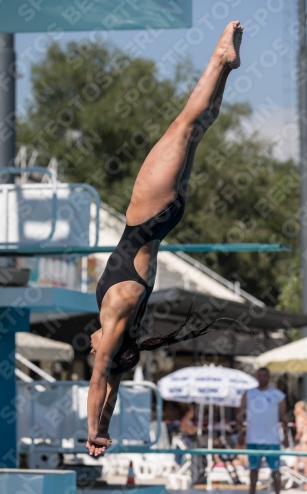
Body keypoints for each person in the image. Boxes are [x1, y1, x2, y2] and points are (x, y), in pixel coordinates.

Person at [86, 21, 244, 457]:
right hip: (148, 216)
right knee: (183, 124)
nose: (91, 343)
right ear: (111, 346)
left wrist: (106, 423)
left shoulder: (125, 326)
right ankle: (219, 60)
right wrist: (93, 430)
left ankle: (227, 68)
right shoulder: (116, 314)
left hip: (163, 218)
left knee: (198, 126)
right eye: (95, 348)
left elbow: (112, 385)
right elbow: (101, 380)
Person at [237, 367, 288, 494]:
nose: (262, 378)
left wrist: (286, 436)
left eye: (265, 375)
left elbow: (284, 418)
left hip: (273, 439)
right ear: (256, 377)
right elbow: (240, 415)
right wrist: (241, 433)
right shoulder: (248, 393)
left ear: (269, 377)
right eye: (260, 375)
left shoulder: (278, 395)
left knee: (275, 470)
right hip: (253, 438)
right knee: (253, 469)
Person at [293, 400, 307, 480]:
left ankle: (303, 481)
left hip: (305, 439)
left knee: (305, 461)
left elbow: (299, 430)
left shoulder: (299, 416)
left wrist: (297, 436)